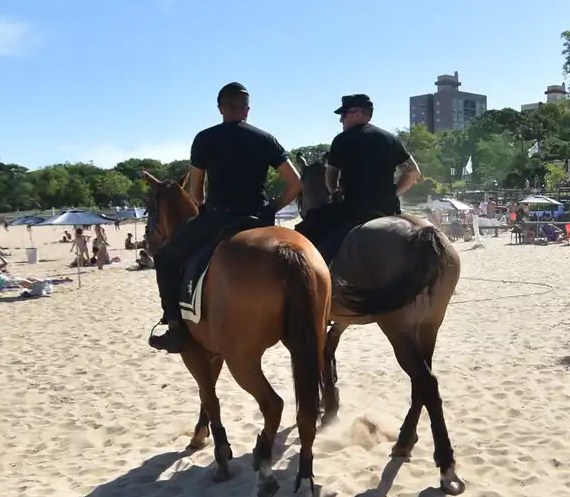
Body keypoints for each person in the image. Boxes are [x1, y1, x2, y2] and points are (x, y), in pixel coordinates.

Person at [150, 82, 303, 353]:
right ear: (246, 110)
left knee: (166, 258)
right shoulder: (265, 138)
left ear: (220, 108)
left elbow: (195, 191)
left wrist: (203, 205)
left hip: (218, 219)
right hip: (258, 218)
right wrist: (271, 207)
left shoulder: (204, 139)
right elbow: (295, 183)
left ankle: (175, 327)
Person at [294, 94, 420, 259]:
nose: (341, 120)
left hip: (353, 210)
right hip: (388, 209)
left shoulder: (342, 140)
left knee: (306, 232)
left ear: (359, 114)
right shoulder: (391, 139)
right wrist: (394, 192)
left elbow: (331, 175)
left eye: (343, 114)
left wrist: (334, 192)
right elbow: (413, 172)